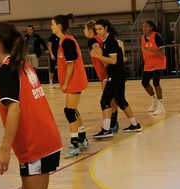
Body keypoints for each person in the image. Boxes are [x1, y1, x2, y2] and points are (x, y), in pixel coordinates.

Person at [0, 22, 62, 189]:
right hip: (43, 139)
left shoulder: (6, 71)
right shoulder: (21, 65)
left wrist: (4, 149)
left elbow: (14, 109)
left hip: (36, 144)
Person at [92, 19, 142, 138]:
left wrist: (97, 56)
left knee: (105, 100)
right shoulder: (106, 40)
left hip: (116, 76)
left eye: (100, 29)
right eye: (96, 29)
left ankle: (106, 129)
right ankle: (135, 125)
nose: (98, 31)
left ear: (106, 28)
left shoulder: (110, 41)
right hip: (118, 75)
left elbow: (113, 61)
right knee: (120, 100)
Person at [52, 14, 89, 158]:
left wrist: (66, 83)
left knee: (69, 112)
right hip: (74, 81)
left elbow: (71, 64)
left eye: (53, 24)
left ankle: (75, 145)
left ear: (59, 26)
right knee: (71, 111)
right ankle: (82, 138)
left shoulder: (67, 41)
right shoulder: (63, 41)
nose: (51, 26)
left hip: (75, 81)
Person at [84, 20, 119, 133]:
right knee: (113, 99)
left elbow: (97, 49)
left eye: (85, 29)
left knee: (107, 100)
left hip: (104, 73)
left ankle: (110, 125)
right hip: (110, 72)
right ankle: (114, 123)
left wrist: (102, 59)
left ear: (89, 30)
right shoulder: (101, 38)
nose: (84, 31)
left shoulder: (92, 40)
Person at [141, 20, 167, 115]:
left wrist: (150, 50)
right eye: (143, 26)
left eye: (146, 26)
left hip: (158, 63)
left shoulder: (157, 36)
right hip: (148, 64)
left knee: (156, 82)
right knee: (144, 83)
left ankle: (161, 106)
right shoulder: (143, 38)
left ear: (151, 27)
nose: (144, 28)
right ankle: (154, 100)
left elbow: (162, 52)